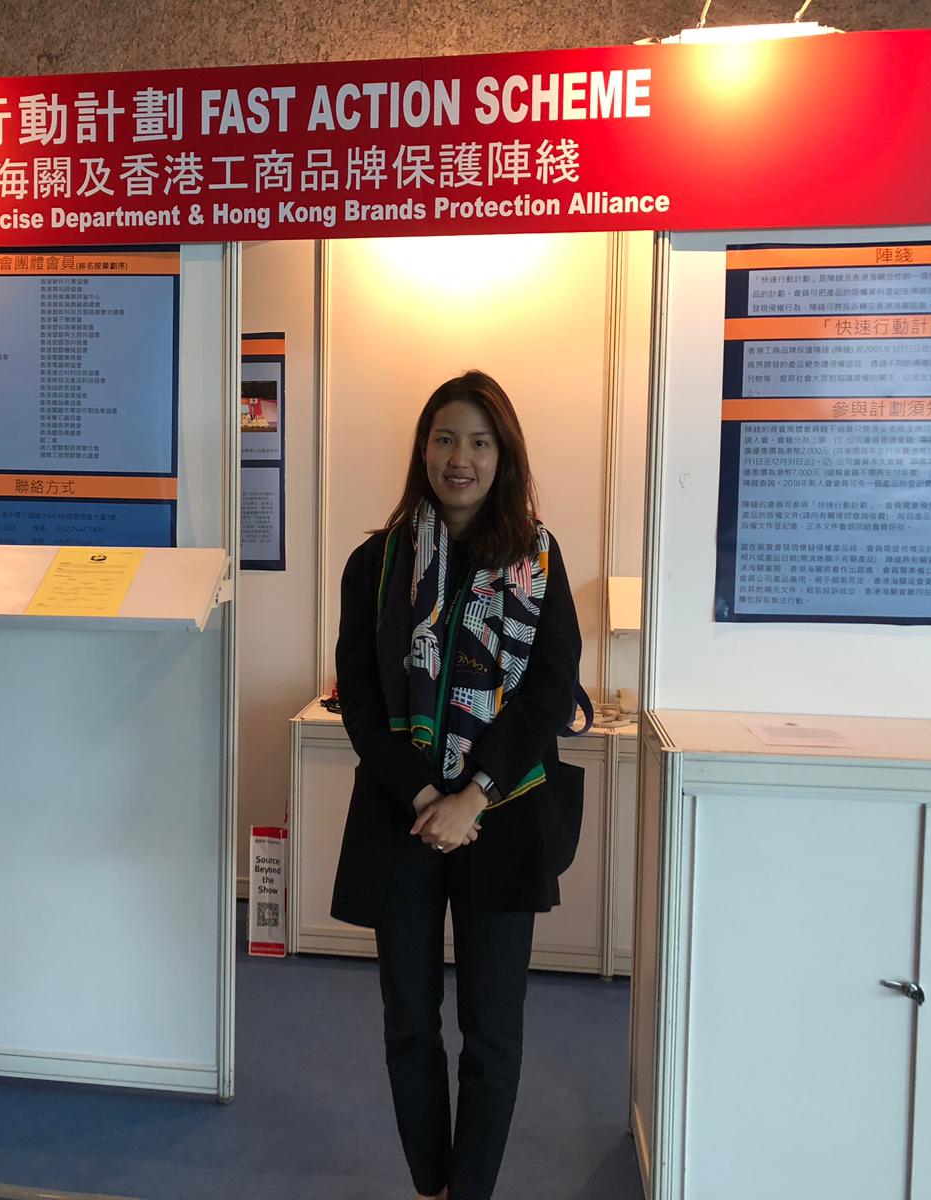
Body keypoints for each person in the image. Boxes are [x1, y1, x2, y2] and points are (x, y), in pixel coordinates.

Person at [331, 370, 585, 1200]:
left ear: (503, 455)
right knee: (409, 1023)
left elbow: (549, 690)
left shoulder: (538, 560)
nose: (459, 458)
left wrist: (472, 795)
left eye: (479, 441)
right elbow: (360, 701)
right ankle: (430, 1186)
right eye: (444, 438)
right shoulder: (376, 563)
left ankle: (468, 1190)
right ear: (423, 449)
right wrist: (423, 797)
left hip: (501, 815)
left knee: (492, 1032)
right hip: (401, 815)